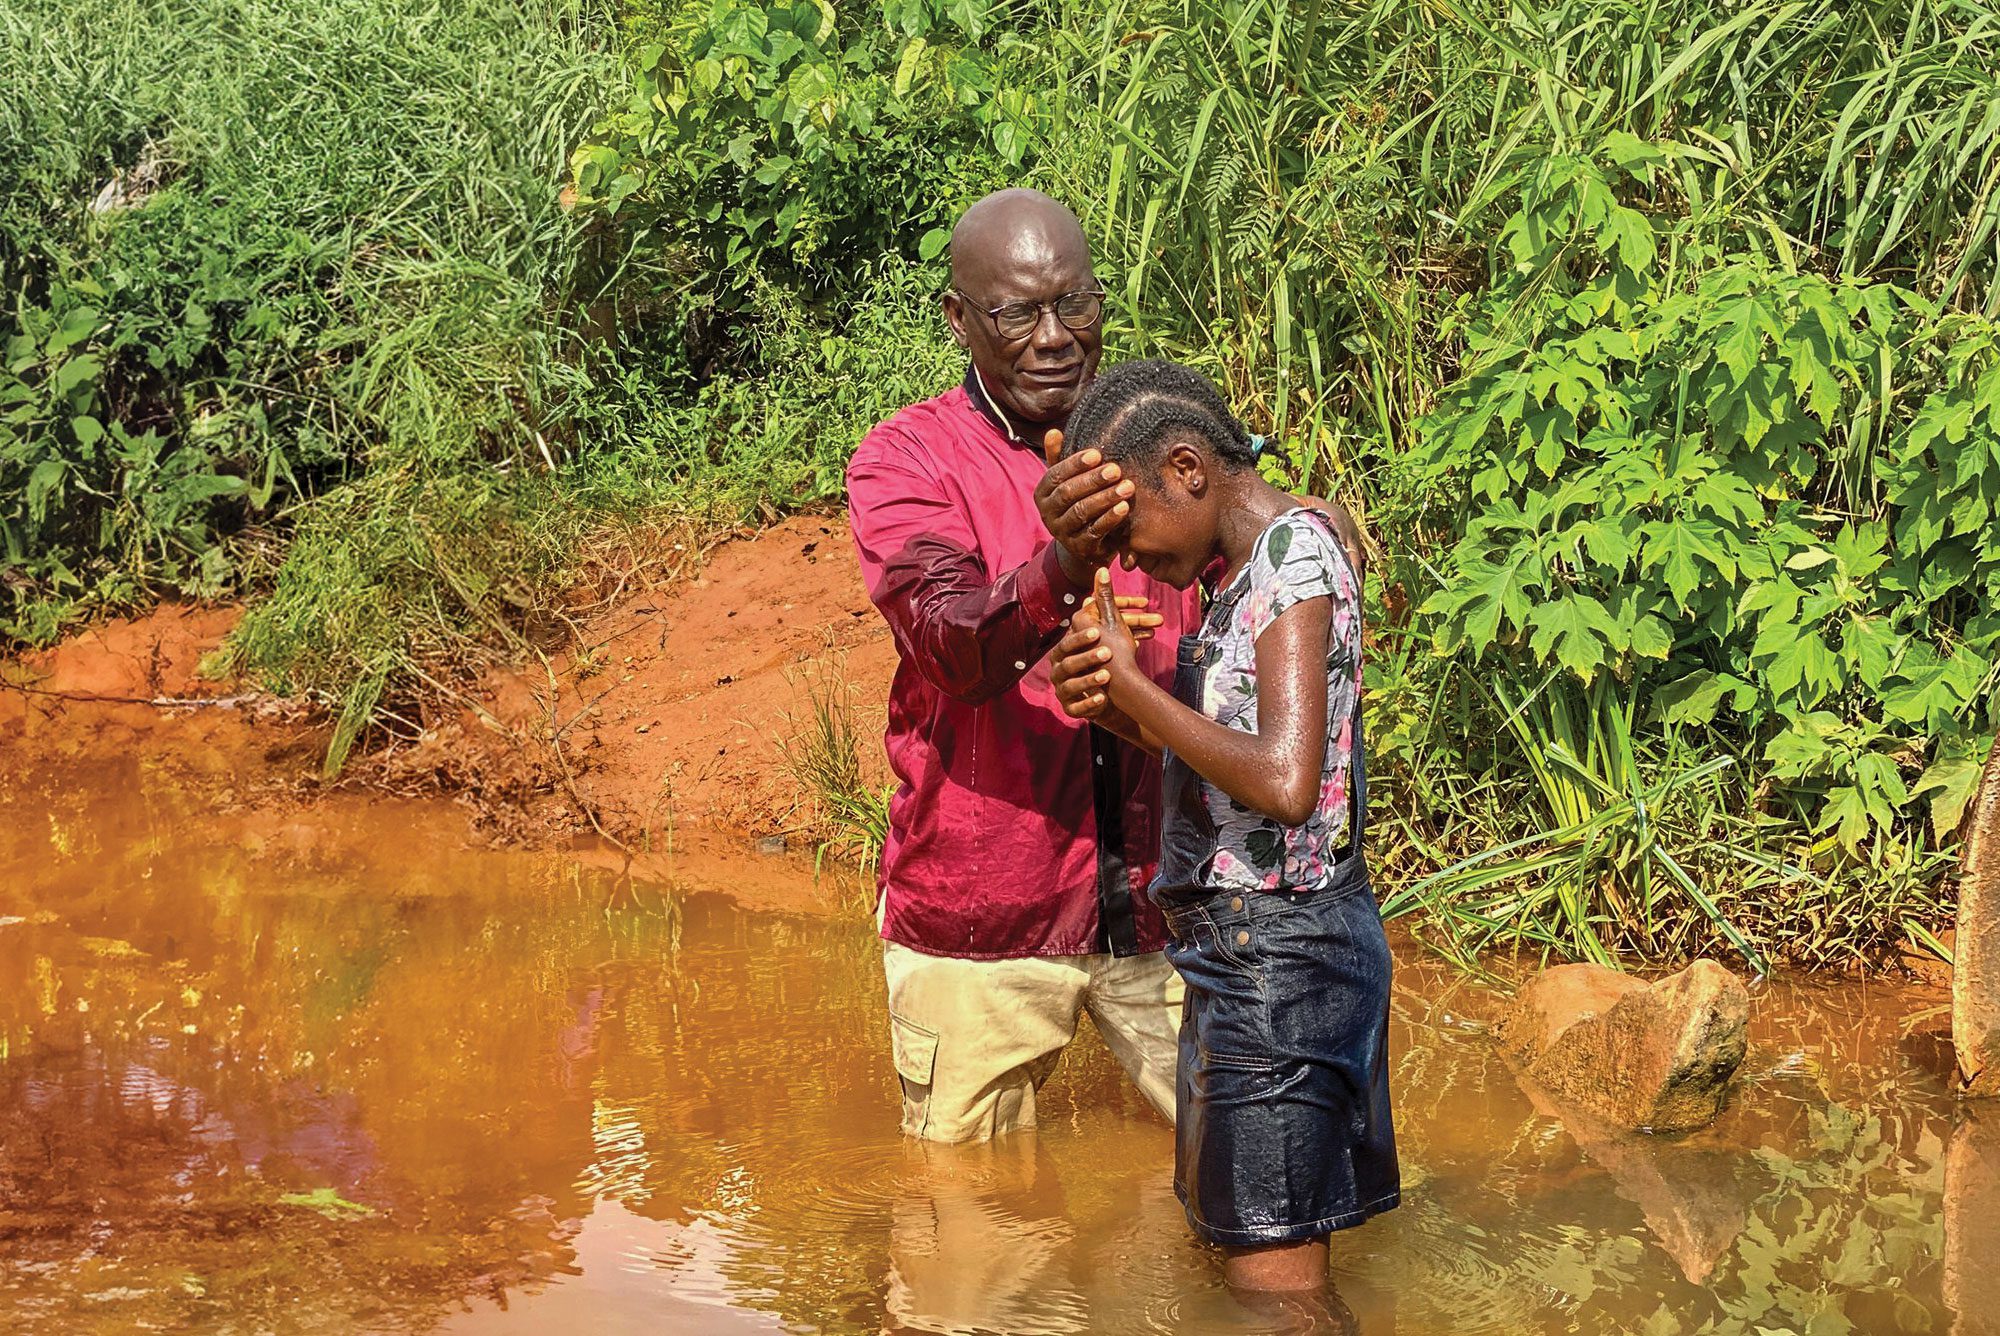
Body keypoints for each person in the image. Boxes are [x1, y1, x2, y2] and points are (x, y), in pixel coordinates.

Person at [844, 189, 1202, 1143]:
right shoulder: (907, 459)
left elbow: (1258, 545)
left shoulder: (1169, 437)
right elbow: (950, 644)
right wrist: (1060, 567)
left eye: (1074, 304)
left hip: (1177, 904)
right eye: (1017, 314)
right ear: (962, 320)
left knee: (1247, 1188)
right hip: (981, 916)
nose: (1054, 337)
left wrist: (1315, 525)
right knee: (970, 1242)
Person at [1047, 360, 1399, 1294]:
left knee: (1276, 1298)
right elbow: (1236, 766)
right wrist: (1116, 710)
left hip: (1282, 961)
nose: (1125, 561)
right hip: (1242, 956)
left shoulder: (1293, 557)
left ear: (1189, 468)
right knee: (1235, 1262)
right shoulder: (1243, 568)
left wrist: (1133, 690)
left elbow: (1286, 784)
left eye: (1128, 529)